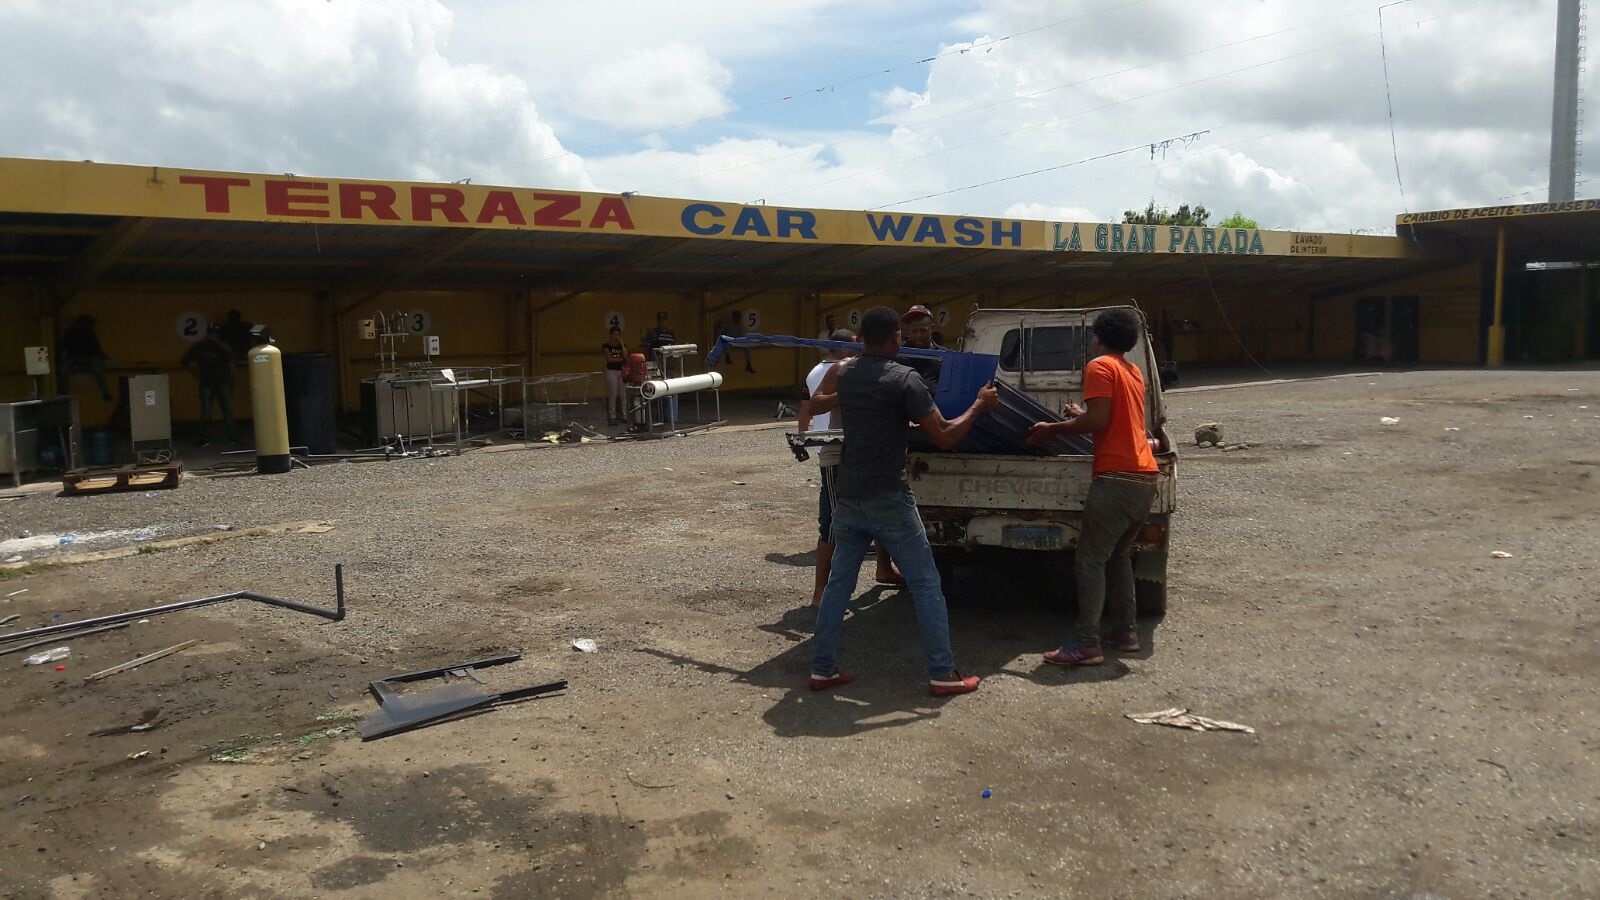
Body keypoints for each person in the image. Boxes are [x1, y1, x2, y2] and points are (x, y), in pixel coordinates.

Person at [805, 305, 999, 697]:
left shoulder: (848, 370)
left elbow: (820, 401)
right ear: (896, 337)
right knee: (927, 583)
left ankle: (822, 668)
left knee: (840, 585)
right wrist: (979, 405)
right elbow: (944, 434)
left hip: (851, 493)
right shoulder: (905, 378)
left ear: (862, 340)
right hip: (890, 497)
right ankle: (943, 673)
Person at [1024, 308, 1159, 667]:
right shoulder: (1132, 371)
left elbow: (1099, 419)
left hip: (1116, 478)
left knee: (1090, 560)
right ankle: (1125, 632)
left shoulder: (1098, 367)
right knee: (1117, 556)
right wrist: (1076, 416)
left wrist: (1051, 429)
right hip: (1144, 476)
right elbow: (1111, 419)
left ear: (1098, 337)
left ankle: (1087, 644)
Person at [797, 329, 901, 606]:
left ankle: (883, 568)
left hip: (864, 453)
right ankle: (822, 593)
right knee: (835, 521)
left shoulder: (885, 372)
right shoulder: (840, 371)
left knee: (875, 512)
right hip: (835, 451)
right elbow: (813, 404)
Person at [181, 323, 239, 445]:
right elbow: (184, 361)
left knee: (227, 409)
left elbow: (232, 356)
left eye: (215, 334)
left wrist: (217, 343)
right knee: (206, 411)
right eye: (211, 333)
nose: (213, 336)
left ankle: (233, 437)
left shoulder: (223, 346)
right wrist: (196, 374)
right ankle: (204, 438)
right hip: (207, 382)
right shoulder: (200, 346)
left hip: (223, 381)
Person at [56, 314, 112, 400]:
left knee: (98, 369)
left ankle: (105, 393)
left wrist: (105, 357)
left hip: (86, 358)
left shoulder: (90, 334)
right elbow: (63, 346)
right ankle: (63, 393)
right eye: (89, 324)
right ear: (82, 324)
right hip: (75, 358)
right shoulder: (72, 333)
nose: (91, 326)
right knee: (63, 368)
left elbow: (97, 348)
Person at [900, 304, 944, 390]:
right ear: (909, 330)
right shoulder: (899, 353)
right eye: (914, 331)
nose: (919, 335)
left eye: (923, 330)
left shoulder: (943, 356)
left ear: (932, 329)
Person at [601, 325, 628, 424]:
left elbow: (626, 356)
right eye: (614, 334)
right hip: (611, 371)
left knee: (623, 394)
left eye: (618, 334)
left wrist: (621, 344)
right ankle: (612, 416)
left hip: (621, 371)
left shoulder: (622, 346)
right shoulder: (606, 346)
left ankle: (625, 416)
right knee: (613, 394)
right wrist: (622, 360)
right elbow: (609, 359)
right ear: (610, 335)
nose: (616, 336)